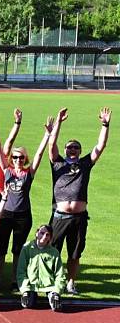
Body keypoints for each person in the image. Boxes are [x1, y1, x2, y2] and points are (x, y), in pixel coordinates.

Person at [47, 106, 111, 294]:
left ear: (80, 150)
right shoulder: (57, 162)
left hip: (79, 217)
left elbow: (100, 146)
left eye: (76, 147)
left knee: (75, 253)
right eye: (69, 147)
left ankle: (71, 282)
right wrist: (58, 122)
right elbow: (51, 146)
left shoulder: (85, 164)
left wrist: (105, 125)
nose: (72, 149)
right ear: (65, 150)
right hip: (60, 216)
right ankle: (53, 280)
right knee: (54, 251)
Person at [0, 116, 52, 290]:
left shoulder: (28, 173)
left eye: (21, 157)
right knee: (0, 249)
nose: (18, 160)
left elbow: (40, 154)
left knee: (18, 249)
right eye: (15, 157)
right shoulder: (7, 171)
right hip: (6, 214)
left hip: (23, 216)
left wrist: (47, 135)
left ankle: (15, 278)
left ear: (25, 159)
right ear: (12, 158)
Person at [16, 224, 66, 311]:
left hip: (50, 286)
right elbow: (21, 271)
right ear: (36, 234)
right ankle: (31, 295)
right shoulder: (26, 248)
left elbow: (60, 274)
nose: (44, 236)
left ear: (50, 237)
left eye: (47, 235)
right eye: (42, 233)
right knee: (27, 304)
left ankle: (52, 296)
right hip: (31, 285)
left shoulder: (54, 252)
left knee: (56, 307)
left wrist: (57, 291)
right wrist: (24, 290)